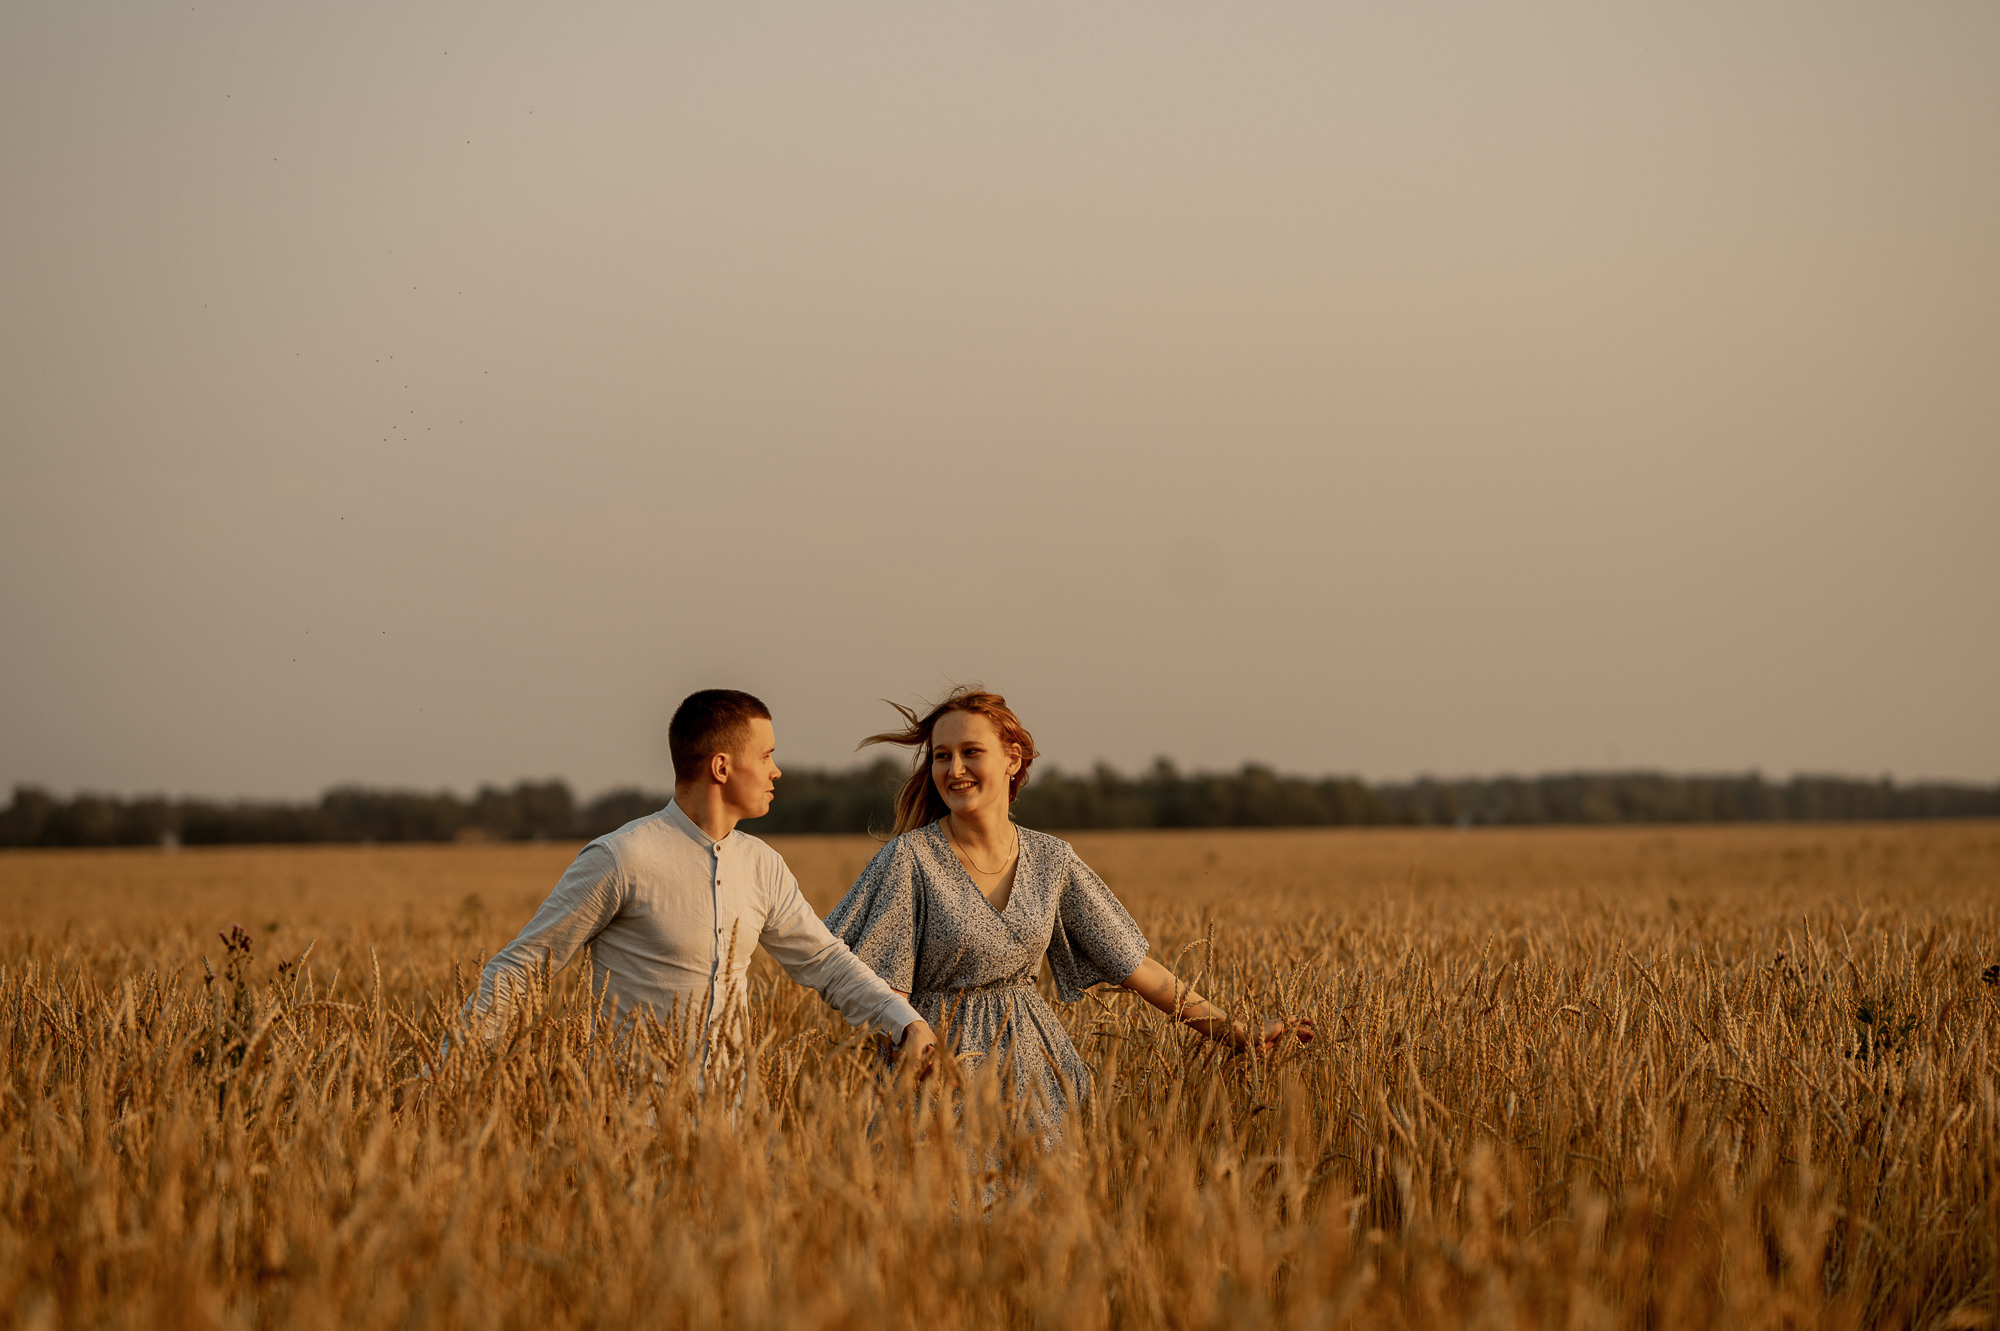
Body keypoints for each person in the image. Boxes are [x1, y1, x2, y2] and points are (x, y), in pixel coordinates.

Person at [824, 687, 1309, 1134]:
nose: (954, 770)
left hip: (1037, 1075)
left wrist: (1235, 1032)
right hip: (939, 1073)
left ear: (1012, 759)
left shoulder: (1052, 860)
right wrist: (912, 1052)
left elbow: (1136, 966)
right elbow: (881, 989)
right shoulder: (910, 859)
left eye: (971, 752)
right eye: (941, 757)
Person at [467, 689, 938, 1074]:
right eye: (767, 755)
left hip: (731, 1132)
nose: (777, 770)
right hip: (628, 1131)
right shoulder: (622, 857)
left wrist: (904, 1021)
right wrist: (442, 1078)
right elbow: (523, 967)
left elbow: (827, 961)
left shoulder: (761, 865)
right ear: (721, 767)